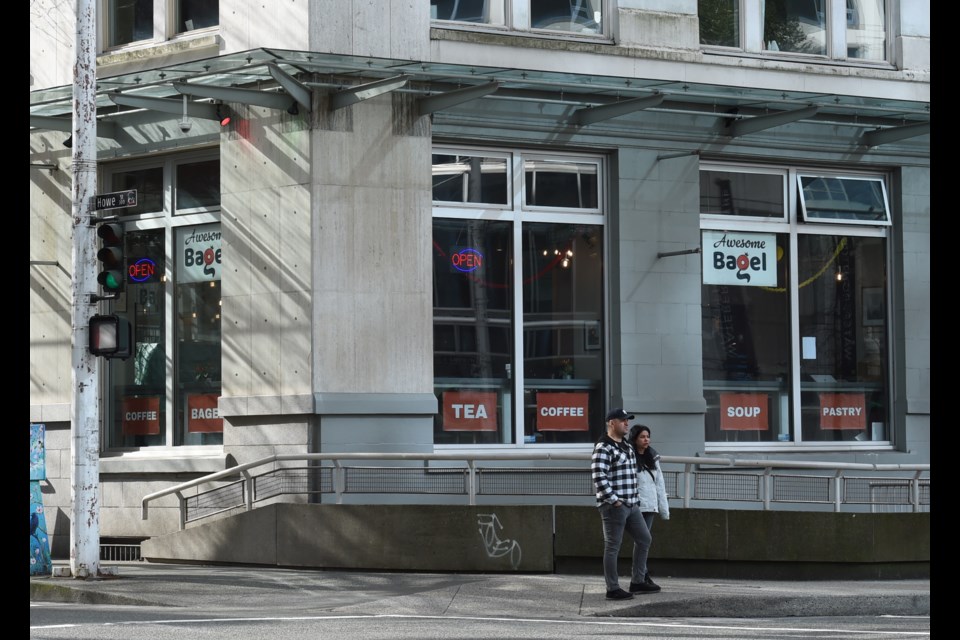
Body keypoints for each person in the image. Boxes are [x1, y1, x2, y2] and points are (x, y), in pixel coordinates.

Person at [590, 408, 658, 600]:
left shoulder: (627, 446)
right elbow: (599, 477)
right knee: (613, 547)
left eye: (627, 420)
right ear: (611, 423)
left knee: (645, 539)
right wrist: (614, 500)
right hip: (615, 506)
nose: (626, 423)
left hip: (632, 504)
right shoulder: (604, 446)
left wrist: (633, 500)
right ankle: (612, 588)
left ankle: (637, 581)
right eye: (622, 420)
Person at [627, 424, 670, 592]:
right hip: (635, 504)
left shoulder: (652, 455)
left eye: (648, 436)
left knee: (642, 542)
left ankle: (641, 575)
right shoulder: (629, 455)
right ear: (635, 439)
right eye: (642, 437)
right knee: (642, 541)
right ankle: (639, 577)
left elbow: (659, 483)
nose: (646, 440)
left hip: (650, 505)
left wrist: (663, 508)